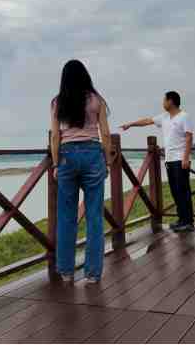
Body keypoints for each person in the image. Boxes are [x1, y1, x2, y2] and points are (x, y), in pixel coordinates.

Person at [50, 59, 112, 285]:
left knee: (66, 216)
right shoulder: (97, 100)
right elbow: (105, 134)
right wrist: (107, 162)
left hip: (66, 156)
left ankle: (66, 271)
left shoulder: (58, 102)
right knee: (94, 215)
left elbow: (55, 136)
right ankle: (93, 273)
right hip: (93, 154)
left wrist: (56, 164)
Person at [120, 91, 195, 233]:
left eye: (164, 100)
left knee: (183, 190)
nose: (163, 103)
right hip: (169, 159)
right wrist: (130, 124)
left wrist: (185, 158)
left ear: (171, 101)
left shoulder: (184, 116)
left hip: (180, 159)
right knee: (175, 191)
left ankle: (188, 222)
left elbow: (189, 137)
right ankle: (181, 220)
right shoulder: (164, 117)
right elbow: (147, 121)